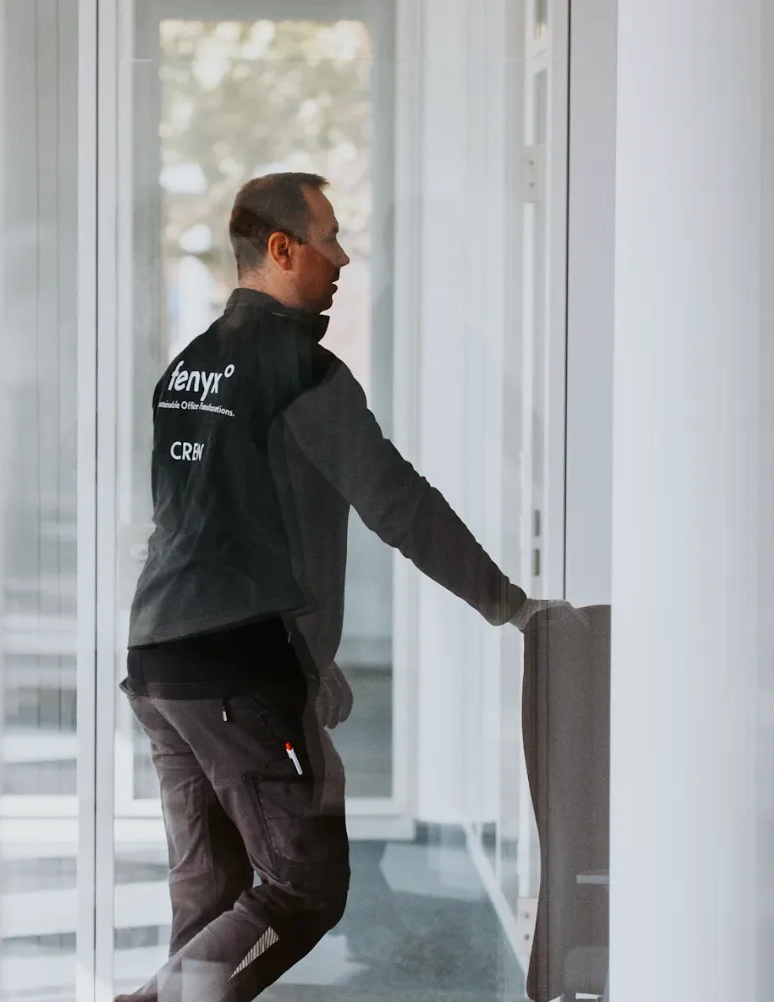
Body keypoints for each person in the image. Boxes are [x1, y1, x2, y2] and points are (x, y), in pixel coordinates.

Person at [117, 172, 573, 1002]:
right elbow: (398, 502)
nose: (343, 256)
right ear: (283, 249)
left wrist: (301, 656)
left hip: (162, 663)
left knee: (213, 904)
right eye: (328, 237)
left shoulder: (188, 369)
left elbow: (197, 523)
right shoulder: (300, 372)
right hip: (233, 663)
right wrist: (508, 602)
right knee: (302, 882)